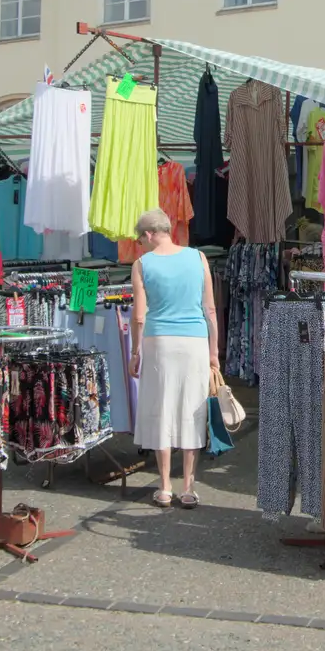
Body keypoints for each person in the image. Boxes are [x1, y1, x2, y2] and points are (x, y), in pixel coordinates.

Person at [129, 207, 219, 510]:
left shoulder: (142, 264)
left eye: (140, 239)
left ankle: (165, 487)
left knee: (162, 409)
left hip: (159, 342)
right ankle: (189, 488)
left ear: (149, 234)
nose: (140, 245)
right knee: (192, 411)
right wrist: (214, 352)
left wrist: (135, 352)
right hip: (194, 341)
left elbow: (139, 316)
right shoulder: (198, 258)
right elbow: (210, 310)